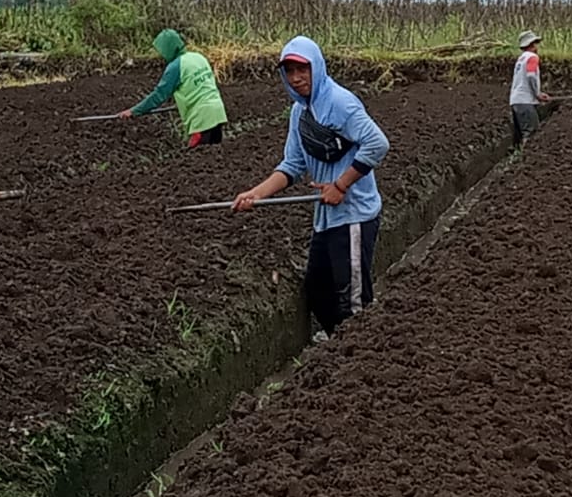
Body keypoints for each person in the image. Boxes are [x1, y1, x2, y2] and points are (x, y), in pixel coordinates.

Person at [233, 37, 390, 337]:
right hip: (326, 218)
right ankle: (336, 345)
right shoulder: (299, 113)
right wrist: (256, 193)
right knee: (318, 289)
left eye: (302, 69)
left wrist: (341, 185)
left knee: (352, 302)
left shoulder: (339, 102)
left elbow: (377, 143)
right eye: (289, 71)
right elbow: (292, 165)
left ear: (316, 67)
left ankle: (360, 357)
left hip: (354, 215)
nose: (296, 78)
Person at [116, 28, 228, 147]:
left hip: (201, 118)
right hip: (218, 112)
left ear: (167, 49)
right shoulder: (198, 57)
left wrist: (133, 111)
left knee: (194, 157)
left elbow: (159, 95)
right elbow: (201, 86)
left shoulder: (175, 66)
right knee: (212, 156)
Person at [509, 30, 551, 148]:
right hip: (525, 101)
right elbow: (531, 75)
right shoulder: (532, 57)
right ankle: (525, 161)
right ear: (532, 44)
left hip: (516, 101)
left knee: (521, 135)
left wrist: (539, 93)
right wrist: (537, 94)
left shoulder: (521, 59)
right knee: (531, 133)